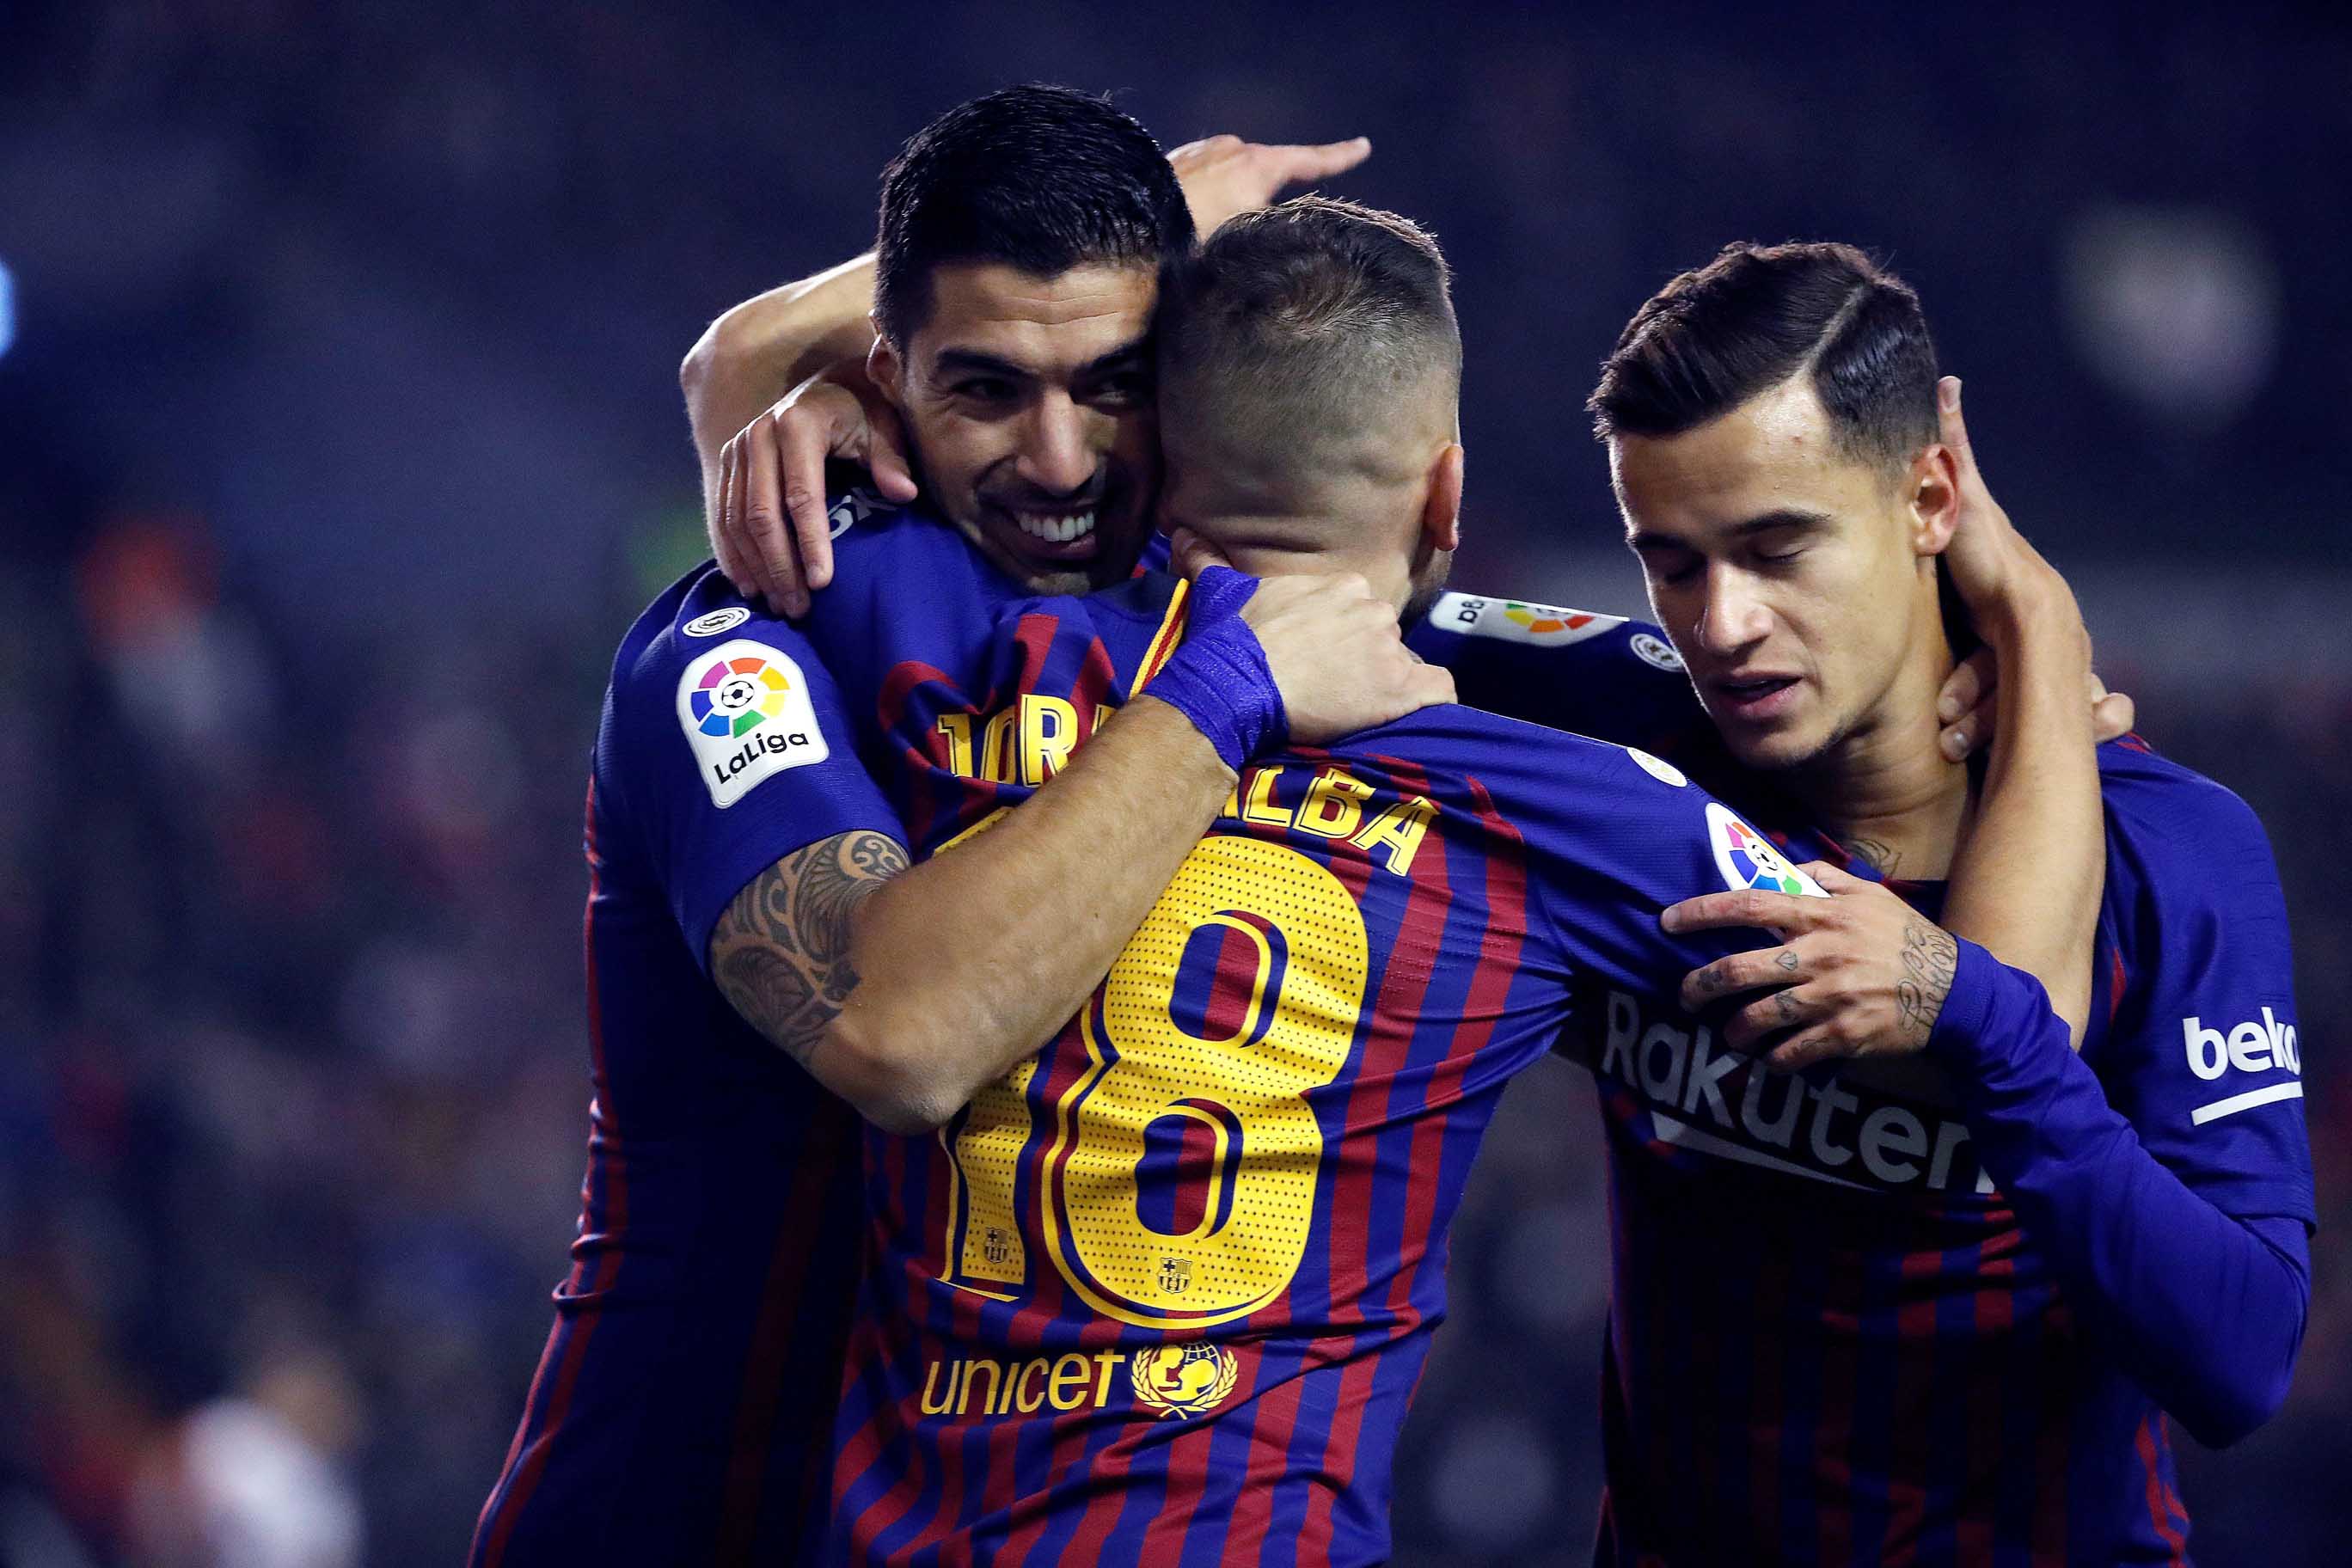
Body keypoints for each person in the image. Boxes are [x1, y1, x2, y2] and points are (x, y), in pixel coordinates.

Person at [790, 197, 2103, 1567]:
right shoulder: (1557, 805)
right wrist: (2037, 632)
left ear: (1161, 458)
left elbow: (768, 496)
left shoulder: (944, 629)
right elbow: (2011, 1032)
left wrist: (799, 398)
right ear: (1445, 495)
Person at [469, 89, 1436, 1568]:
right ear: (884, 379)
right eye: (985, 389)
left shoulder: (1246, 629)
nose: (1059, 461)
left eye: (1114, 382)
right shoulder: (744, 651)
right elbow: (899, 1035)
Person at [1564, 242, 2312, 1564]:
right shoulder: (1618, 756)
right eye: (1670, 563)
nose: (1723, 623)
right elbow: (1316, 565)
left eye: (1778, 547)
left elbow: (2241, 1360)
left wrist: (1986, 1028)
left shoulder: (2171, 848)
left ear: (1930, 498)